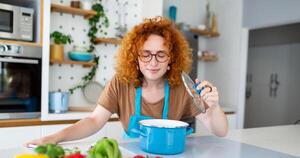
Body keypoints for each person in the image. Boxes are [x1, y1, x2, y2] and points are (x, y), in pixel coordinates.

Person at [27, 17, 227, 146]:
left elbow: (219, 130)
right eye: (146, 54)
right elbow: (94, 121)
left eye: (161, 54)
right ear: (136, 57)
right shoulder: (121, 83)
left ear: (171, 59)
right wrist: (56, 137)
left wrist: (215, 107)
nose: (153, 62)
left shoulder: (182, 87)